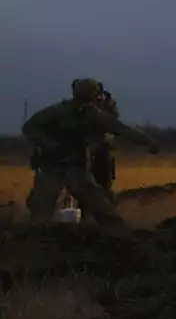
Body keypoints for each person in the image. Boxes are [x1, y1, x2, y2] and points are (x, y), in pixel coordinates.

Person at [23, 78, 160, 229]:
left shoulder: (94, 115)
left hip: (76, 169)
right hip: (52, 167)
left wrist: (148, 141)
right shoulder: (57, 112)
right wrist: (49, 144)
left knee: (101, 207)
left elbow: (121, 129)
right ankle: (35, 240)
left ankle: (119, 236)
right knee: (41, 210)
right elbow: (30, 127)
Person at [88, 84, 119, 203]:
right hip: (90, 146)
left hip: (104, 146)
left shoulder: (107, 104)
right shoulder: (86, 104)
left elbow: (114, 117)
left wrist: (106, 102)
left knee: (105, 181)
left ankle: (109, 205)